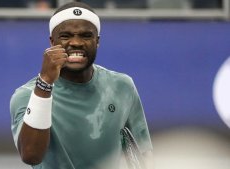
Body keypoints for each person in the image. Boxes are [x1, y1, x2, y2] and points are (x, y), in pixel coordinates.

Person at [10, 2, 153, 169]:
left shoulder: (122, 86)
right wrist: (45, 83)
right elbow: (31, 155)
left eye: (86, 36)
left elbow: (144, 152)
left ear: (97, 41)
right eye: (65, 36)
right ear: (52, 41)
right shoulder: (27, 95)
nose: (76, 42)